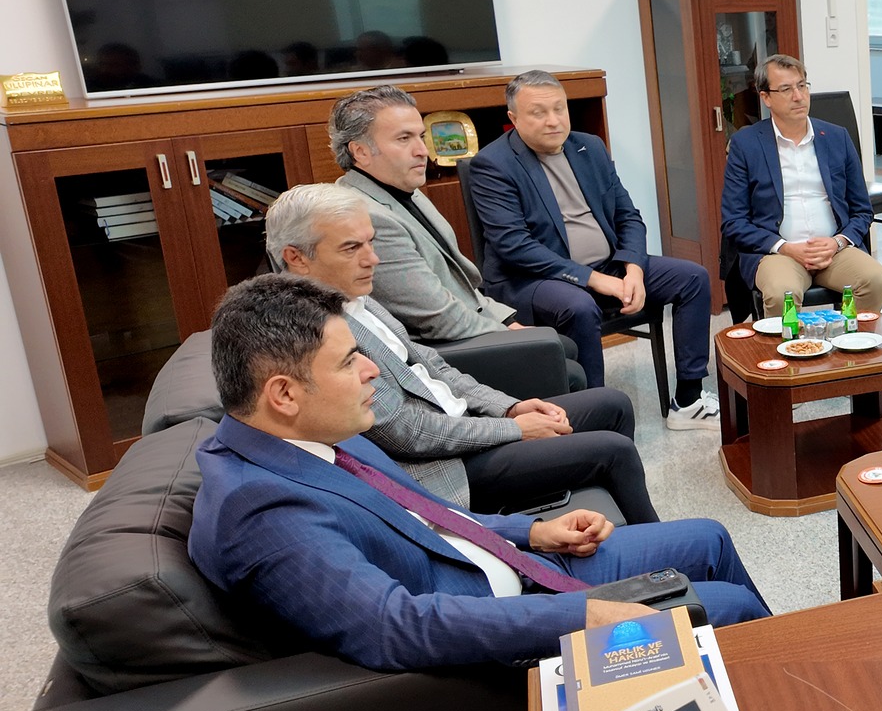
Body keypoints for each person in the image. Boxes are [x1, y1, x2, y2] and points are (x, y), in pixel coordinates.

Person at [188, 273, 770, 673]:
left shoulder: (312, 437)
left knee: (709, 537)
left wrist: (531, 532)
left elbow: (427, 516)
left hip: (518, 567)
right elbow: (395, 627)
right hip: (505, 633)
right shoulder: (260, 510)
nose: (372, 371)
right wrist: (582, 615)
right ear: (284, 394)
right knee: (731, 608)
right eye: (348, 361)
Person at [269, 184, 662, 526]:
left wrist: (509, 408)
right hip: (442, 467)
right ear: (296, 257)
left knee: (611, 404)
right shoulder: (315, 334)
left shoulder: (355, 296)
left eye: (370, 242)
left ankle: (617, 527)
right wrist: (515, 429)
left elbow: (434, 367)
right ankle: (657, 561)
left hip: (465, 425)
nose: (373, 259)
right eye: (352, 248)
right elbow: (406, 433)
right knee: (613, 451)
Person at [467, 70, 718, 429]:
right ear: (514, 118)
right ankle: (594, 420)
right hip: (532, 279)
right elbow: (515, 246)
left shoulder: (590, 147)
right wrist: (595, 280)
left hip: (607, 265)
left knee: (692, 277)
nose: (553, 120)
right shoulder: (493, 164)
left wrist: (633, 269)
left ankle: (689, 401)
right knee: (580, 306)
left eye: (560, 108)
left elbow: (628, 216)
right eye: (539, 112)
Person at [328, 85, 565, 358]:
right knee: (560, 355)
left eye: (421, 136)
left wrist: (507, 321)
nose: (422, 151)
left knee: (560, 347)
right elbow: (435, 315)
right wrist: (507, 333)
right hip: (441, 351)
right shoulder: (368, 217)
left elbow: (461, 288)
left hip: (467, 323)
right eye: (403, 139)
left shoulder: (405, 189)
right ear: (360, 151)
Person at [720, 54, 882, 312]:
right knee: (781, 293)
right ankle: (787, 341)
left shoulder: (836, 137)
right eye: (786, 89)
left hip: (833, 250)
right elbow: (734, 221)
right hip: (777, 252)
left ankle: (854, 336)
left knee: (876, 280)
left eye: (802, 86)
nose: (798, 96)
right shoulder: (747, 145)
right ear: (766, 98)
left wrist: (838, 242)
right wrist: (785, 247)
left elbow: (862, 210)